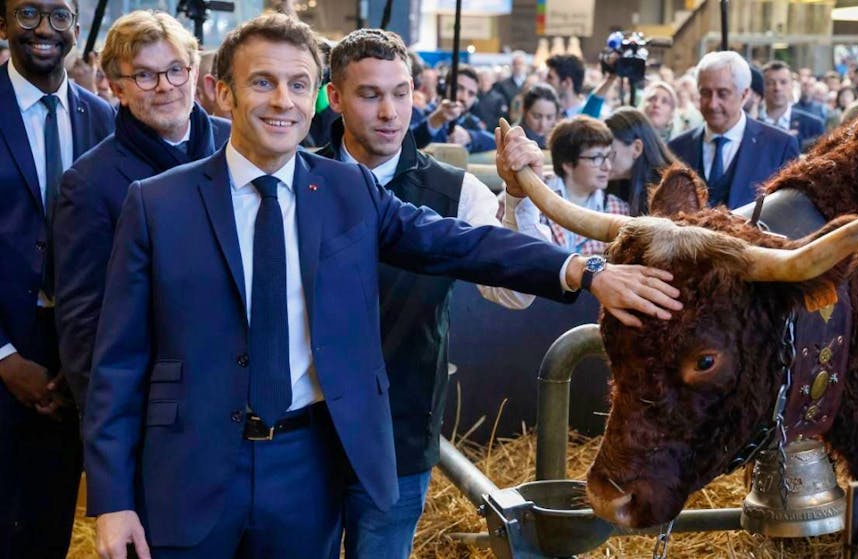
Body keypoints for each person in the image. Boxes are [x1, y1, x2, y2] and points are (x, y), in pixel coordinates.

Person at [84, 13, 682, 559]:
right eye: (262, 82)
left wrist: (585, 270)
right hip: (188, 469)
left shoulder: (348, 191)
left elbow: (462, 242)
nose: (282, 102)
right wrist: (110, 499)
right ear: (223, 91)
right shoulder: (157, 203)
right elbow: (117, 365)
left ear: (316, 94)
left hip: (304, 466)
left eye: (297, 85)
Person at [316, 28, 557, 559]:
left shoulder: (455, 190)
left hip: (398, 430)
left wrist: (519, 200)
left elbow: (513, 294)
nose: (390, 111)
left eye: (401, 93)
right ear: (334, 97)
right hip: (304, 434)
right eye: (370, 94)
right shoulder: (295, 176)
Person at [54, 9, 230, 414]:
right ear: (117, 87)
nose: (165, 87)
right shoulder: (90, 182)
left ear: (193, 70)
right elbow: (85, 328)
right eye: (145, 76)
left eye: (174, 70)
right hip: (159, 410)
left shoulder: (237, 145)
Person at [0, 0, 115, 555]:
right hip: (3, 346)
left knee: (50, 522)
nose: (44, 29)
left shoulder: (104, 118)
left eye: (60, 16)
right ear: (2, 25)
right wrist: (1, 355)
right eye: (26, 15)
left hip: (75, 356)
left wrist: (82, 357)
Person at [668, 51, 799, 210]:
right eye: (705, 93)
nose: (712, 104)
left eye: (722, 94)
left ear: (744, 95)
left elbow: (790, 212)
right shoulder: (677, 148)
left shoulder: (779, 146)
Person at [513, 116, 630, 255]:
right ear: (567, 163)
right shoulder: (526, 196)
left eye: (608, 156)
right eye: (596, 158)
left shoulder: (618, 210)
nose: (607, 166)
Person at [606, 107, 675, 216]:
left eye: (609, 154)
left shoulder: (672, 189)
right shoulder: (611, 184)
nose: (604, 163)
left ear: (637, 148)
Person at [412, 66, 496, 153]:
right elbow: (408, 140)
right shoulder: (421, 112)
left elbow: (495, 143)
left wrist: (469, 137)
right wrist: (436, 120)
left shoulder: (471, 122)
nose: (464, 97)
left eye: (471, 93)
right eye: (459, 88)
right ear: (444, 88)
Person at [759, 60, 824, 151]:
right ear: (762, 87)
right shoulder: (751, 125)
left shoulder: (813, 125)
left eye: (783, 82)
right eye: (770, 83)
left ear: (792, 85)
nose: (777, 88)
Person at [517, 81, 558, 148]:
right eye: (537, 116)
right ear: (524, 111)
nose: (543, 124)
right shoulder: (512, 140)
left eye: (549, 117)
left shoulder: (559, 142)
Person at [545, 53, 585, 118]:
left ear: (567, 82)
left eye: (550, 77)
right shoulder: (546, 113)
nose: (545, 81)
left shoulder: (589, 115)